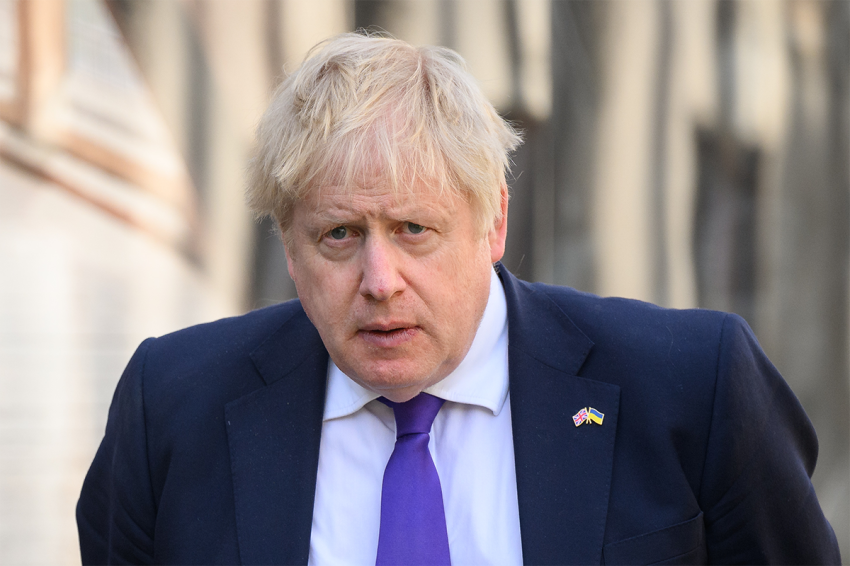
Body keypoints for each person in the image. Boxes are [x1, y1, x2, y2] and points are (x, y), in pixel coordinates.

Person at [77, 33, 840, 565]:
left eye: (414, 229)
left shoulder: (690, 387)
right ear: (288, 244)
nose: (380, 280)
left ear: (493, 221)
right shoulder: (173, 409)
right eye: (339, 235)